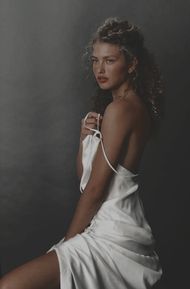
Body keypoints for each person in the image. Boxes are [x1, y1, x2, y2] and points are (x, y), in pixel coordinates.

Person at [0, 17, 163, 289]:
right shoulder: (130, 107)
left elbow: (97, 190)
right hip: (107, 226)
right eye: (95, 60)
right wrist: (84, 140)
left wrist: (68, 242)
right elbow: (86, 180)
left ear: (132, 64)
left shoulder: (120, 111)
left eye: (109, 60)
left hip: (109, 234)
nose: (100, 69)